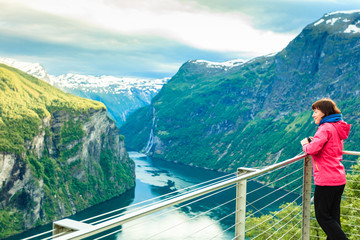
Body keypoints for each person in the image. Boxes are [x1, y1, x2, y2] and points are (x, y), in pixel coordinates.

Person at [300, 98, 351, 240]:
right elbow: (328, 146)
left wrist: (305, 145)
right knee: (333, 218)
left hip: (326, 180)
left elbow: (312, 149)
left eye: (315, 112)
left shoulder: (325, 128)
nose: (313, 115)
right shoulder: (335, 126)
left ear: (324, 112)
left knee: (322, 217)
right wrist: (315, 140)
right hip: (338, 178)